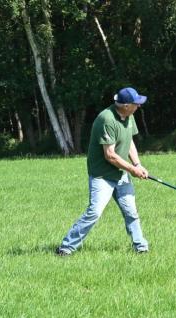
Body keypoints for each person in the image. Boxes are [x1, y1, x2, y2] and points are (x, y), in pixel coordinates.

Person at [56, 87, 150, 256]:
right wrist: (132, 169)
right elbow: (110, 155)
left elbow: (129, 142)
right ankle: (66, 247)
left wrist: (137, 164)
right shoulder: (106, 119)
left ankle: (140, 247)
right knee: (94, 212)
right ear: (126, 105)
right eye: (136, 104)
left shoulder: (129, 116)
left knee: (131, 211)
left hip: (121, 174)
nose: (139, 106)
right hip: (103, 175)